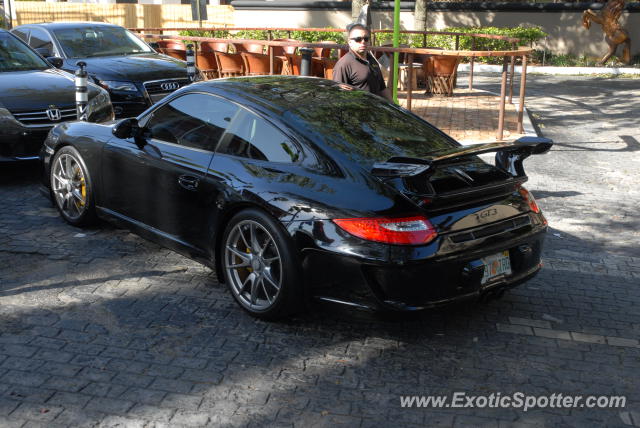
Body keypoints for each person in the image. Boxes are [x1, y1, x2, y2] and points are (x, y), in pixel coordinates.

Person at [332, 23, 392, 102]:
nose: (363, 42)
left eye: (366, 39)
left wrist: (395, 106)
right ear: (349, 42)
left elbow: (382, 88)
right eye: (358, 39)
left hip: (376, 110)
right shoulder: (344, 64)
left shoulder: (371, 59)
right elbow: (338, 96)